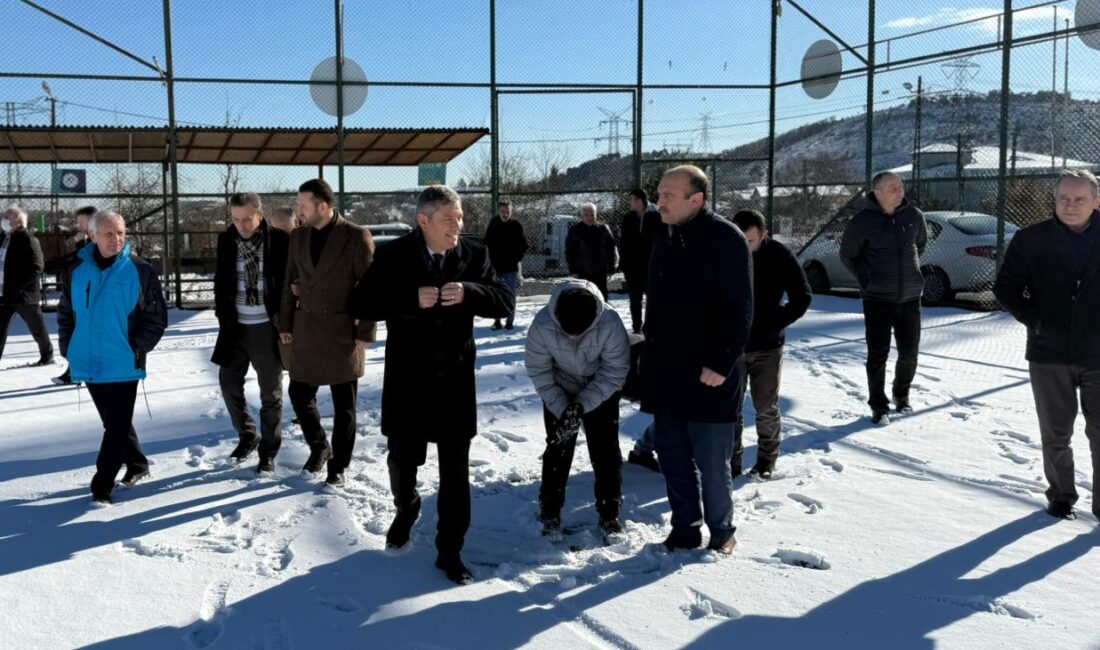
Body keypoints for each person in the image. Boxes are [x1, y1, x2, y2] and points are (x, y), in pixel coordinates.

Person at [348, 185, 513, 585]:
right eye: (448, 219)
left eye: (459, 218)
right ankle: (406, 508)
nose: (457, 226)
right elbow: (360, 304)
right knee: (403, 461)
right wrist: (407, 300)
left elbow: (505, 300)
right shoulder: (392, 255)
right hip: (408, 380)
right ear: (423, 221)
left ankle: (450, 550)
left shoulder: (475, 253)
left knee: (456, 470)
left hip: (455, 381)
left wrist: (471, 292)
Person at [641, 165, 752, 555]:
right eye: (659, 193)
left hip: (710, 374)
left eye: (669, 194)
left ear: (697, 199)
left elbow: (739, 310)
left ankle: (722, 531)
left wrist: (721, 363)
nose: (660, 200)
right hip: (667, 370)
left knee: (712, 461)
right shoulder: (663, 234)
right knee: (671, 456)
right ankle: (684, 528)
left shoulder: (726, 238)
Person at [994, 169, 1100, 522]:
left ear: (1096, 201)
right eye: (1063, 199)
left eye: (1079, 199)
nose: (1070, 205)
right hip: (1048, 354)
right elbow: (1006, 288)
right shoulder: (1030, 239)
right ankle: (1061, 497)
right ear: (1054, 201)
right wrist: (1036, 321)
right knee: (1055, 432)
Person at [57, 211, 167, 504]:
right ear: (91, 236)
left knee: (115, 426)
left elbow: (156, 319)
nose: (116, 239)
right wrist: (69, 347)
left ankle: (101, 486)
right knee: (114, 421)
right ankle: (138, 463)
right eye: (108, 233)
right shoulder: (76, 269)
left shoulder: (140, 270)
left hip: (123, 364)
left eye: (120, 232)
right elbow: (66, 312)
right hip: (88, 361)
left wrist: (136, 349)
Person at [279, 179, 375, 486]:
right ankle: (320, 445)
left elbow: (370, 286)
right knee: (298, 393)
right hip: (306, 328)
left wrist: (365, 330)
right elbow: (288, 281)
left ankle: (338, 467)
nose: (299, 210)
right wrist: (285, 324)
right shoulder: (299, 236)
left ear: (324, 205)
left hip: (342, 331)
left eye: (303, 205)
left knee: (344, 406)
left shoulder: (356, 236)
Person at [525, 279, 631, 539]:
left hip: (600, 388)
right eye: (567, 331)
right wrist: (564, 410)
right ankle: (550, 512)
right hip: (559, 388)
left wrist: (583, 404)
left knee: (605, 451)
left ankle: (610, 513)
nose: (573, 337)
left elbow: (615, 371)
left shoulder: (610, 323)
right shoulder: (541, 326)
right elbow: (539, 373)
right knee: (558, 449)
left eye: (580, 332)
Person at [730, 209, 812, 480]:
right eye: (738, 240)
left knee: (765, 406)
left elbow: (802, 296)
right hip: (731, 346)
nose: (743, 246)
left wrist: (775, 322)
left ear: (763, 235)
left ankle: (766, 459)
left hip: (767, 346)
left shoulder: (779, 255)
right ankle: (731, 461)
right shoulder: (725, 251)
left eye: (749, 241)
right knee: (731, 408)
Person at [839, 171, 927, 425]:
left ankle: (902, 396)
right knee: (878, 354)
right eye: (892, 188)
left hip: (910, 297)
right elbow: (848, 256)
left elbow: (919, 245)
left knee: (909, 353)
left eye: (901, 186)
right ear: (877, 194)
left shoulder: (914, 216)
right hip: (877, 299)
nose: (900, 191)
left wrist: (910, 275)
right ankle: (879, 405)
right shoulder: (861, 222)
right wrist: (867, 280)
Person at [211, 193, 289, 472]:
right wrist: (223, 315)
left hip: (267, 328)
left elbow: (288, 281)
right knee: (229, 383)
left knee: (271, 392)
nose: (241, 225)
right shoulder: (226, 240)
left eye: (246, 219)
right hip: (234, 327)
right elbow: (222, 281)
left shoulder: (280, 241)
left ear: (260, 215)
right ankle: (248, 435)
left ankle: (268, 451)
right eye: (235, 219)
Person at [0, 206, 53, 366]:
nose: (3, 220)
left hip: (23, 295)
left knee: (36, 327)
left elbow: (37, 267)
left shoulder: (28, 239)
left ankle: (47, 356)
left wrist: (19, 288)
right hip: (5, 293)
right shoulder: (5, 238)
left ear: (17, 221)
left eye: (7, 217)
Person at [53, 205, 98, 385]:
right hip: (76, 291)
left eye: (82, 222)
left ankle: (79, 371)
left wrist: (81, 244)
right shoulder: (88, 241)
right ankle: (75, 370)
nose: (79, 226)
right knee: (73, 330)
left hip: (89, 295)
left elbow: (89, 263)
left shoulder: (99, 242)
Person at [619, 189, 662, 334]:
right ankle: (637, 327)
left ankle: (653, 326)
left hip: (652, 266)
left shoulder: (657, 215)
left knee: (653, 299)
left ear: (639, 200)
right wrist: (623, 265)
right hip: (633, 268)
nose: (630, 203)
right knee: (634, 300)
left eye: (631, 200)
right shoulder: (628, 218)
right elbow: (623, 243)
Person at [484, 199, 527, 330]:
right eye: (503, 211)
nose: (505, 213)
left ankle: (509, 321)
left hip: (511, 268)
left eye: (507, 211)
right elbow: (487, 244)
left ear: (511, 211)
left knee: (510, 295)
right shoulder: (493, 224)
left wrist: (516, 259)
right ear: (498, 211)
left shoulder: (516, 226)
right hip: (495, 267)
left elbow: (523, 245)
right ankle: (497, 320)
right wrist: (490, 261)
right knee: (495, 294)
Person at [565, 203, 618, 300]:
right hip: (582, 272)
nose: (589, 217)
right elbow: (570, 252)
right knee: (584, 298)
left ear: (596, 214)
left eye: (592, 214)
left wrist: (611, 268)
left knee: (601, 298)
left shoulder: (603, 229)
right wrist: (573, 270)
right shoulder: (575, 230)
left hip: (600, 271)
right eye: (586, 215)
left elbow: (611, 249)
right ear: (582, 215)